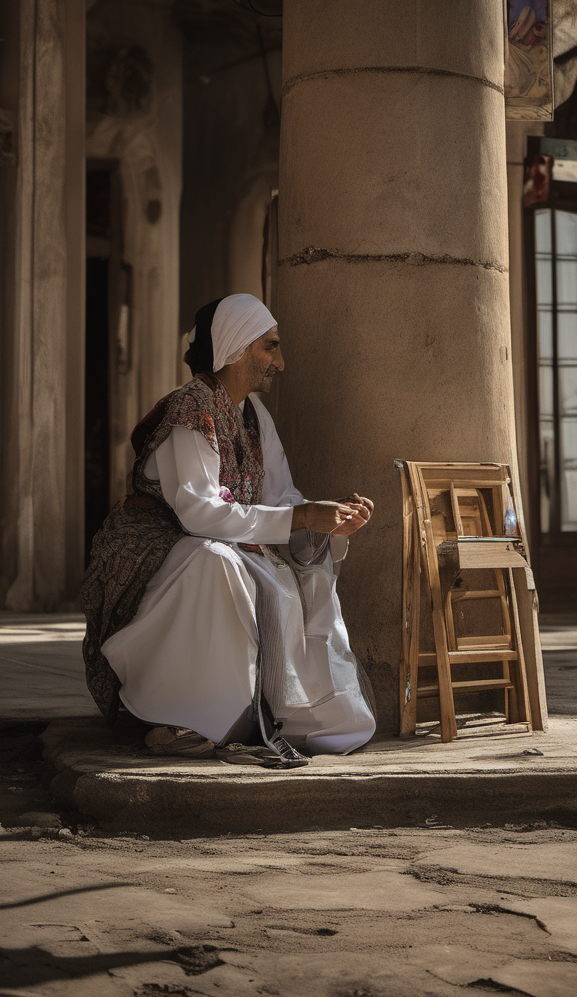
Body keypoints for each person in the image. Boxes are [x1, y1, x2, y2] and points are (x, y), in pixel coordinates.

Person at [82, 294, 376, 766]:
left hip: (218, 539)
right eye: (271, 347)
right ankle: (178, 715)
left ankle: (299, 716)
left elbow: (282, 498)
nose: (280, 361)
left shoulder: (256, 417)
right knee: (217, 563)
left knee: (309, 563)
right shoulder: (190, 409)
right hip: (157, 552)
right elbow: (198, 513)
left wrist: (328, 518)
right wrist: (298, 518)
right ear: (238, 347)